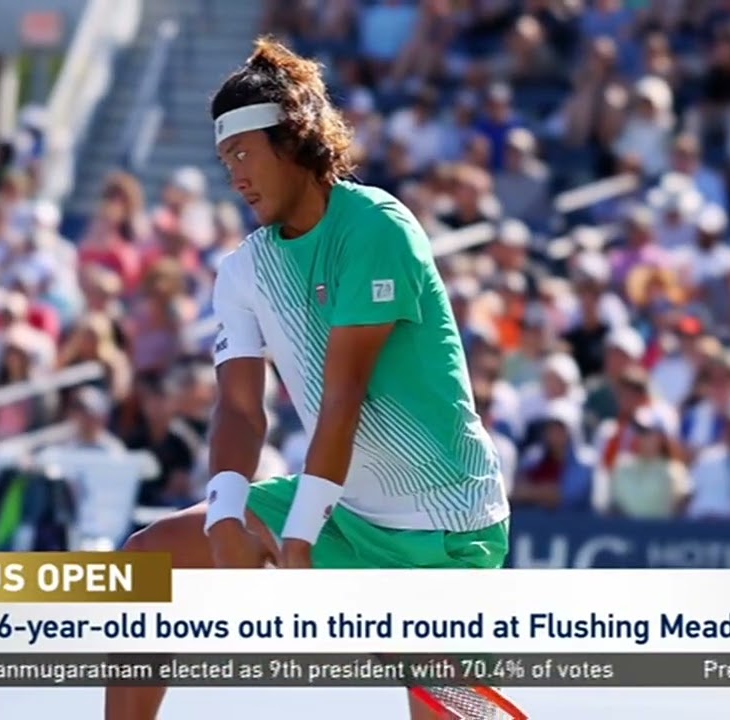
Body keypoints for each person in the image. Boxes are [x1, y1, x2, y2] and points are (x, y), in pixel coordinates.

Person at [106, 39, 508, 720]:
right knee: (147, 560)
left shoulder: (378, 226)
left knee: (450, 706)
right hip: (342, 512)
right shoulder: (243, 269)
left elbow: (346, 395)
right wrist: (228, 513)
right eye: (224, 158)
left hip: (443, 531)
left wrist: (297, 536)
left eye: (243, 153)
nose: (233, 175)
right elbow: (239, 411)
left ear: (293, 143)